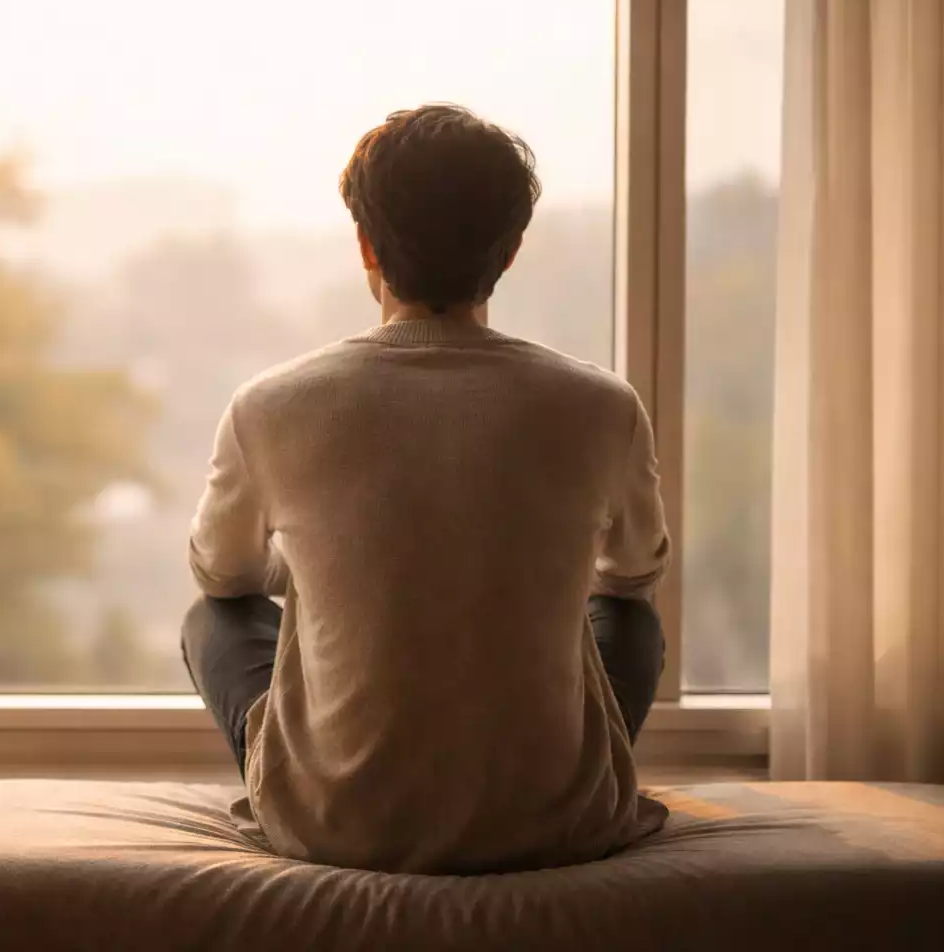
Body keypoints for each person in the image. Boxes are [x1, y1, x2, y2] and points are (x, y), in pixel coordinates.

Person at [180, 104, 670, 875]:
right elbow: (633, 576)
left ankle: (323, 785)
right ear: (509, 252)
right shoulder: (602, 404)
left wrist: (322, 559)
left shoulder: (269, 406)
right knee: (630, 625)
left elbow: (224, 576)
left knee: (213, 621)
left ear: (366, 244)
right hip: (557, 824)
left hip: (337, 827)